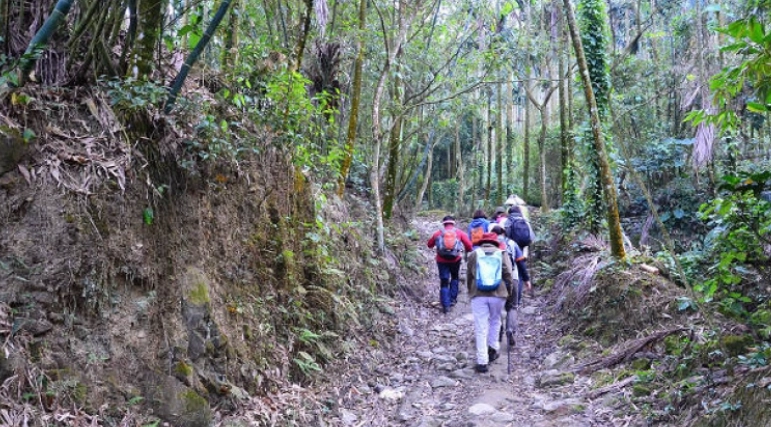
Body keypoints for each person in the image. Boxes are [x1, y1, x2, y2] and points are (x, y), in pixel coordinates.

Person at [466, 232, 516, 373]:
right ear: (495, 242)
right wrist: (510, 292)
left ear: (483, 242)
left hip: (478, 294)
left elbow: (469, 274)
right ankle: (493, 349)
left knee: (481, 326)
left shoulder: (475, 254)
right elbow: (508, 274)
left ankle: (482, 362)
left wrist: (470, 290)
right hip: (498, 293)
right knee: (496, 320)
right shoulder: (502, 253)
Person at [427, 215, 473, 313]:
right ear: (453, 223)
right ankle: (452, 299)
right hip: (455, 260)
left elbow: (429, 245)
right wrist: (466, 251)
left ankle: (446, 305)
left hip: (441, 260)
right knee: (455, 277)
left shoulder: (438, 233)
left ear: (443, 224)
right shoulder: (459, 232)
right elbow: (469, 246)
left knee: (444, 281)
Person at [490, 225, 531, 309]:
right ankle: (511, 317)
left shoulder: (487, 245)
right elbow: (520, 263)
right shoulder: (512, 243)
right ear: (504, 233)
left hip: (492, 279)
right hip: (512, 277)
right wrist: (526, 279)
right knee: (512, 306)